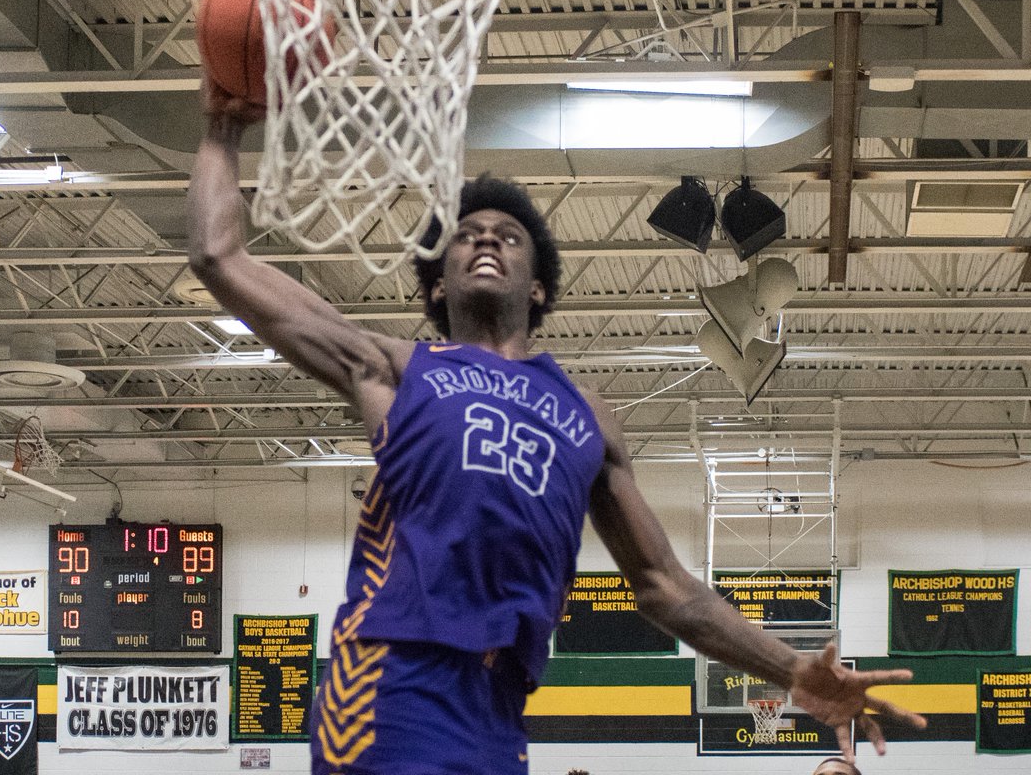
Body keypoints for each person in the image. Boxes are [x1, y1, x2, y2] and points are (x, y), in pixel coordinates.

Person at [189, 85, 927, 775]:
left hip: (500, 711)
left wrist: (793, 666)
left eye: (507, 235)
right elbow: (219, 257)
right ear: (438, 282)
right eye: (464, 235)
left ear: (537, 284)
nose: (484, 239)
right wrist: (223, 127)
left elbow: (667, 586)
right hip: (391, 681)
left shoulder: (586, 413)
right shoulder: (392, 367)